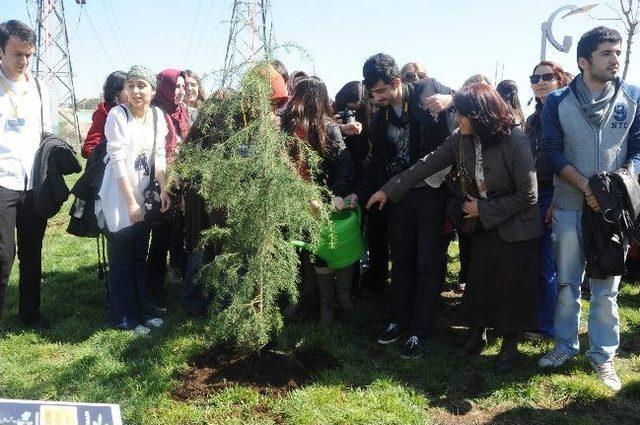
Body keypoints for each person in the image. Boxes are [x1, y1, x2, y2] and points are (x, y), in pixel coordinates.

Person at [368, 82, 542, 372]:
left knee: (512, 289)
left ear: (481, 115)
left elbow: (529, 195)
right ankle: (477, 336)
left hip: (517, 227)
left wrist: (482, 209)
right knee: (480, 282)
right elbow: (426, 164)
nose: (457, 119)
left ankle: (509, 347)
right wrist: (389, 189)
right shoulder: (460, 138)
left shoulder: (515, 139)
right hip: (484, 225)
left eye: (462, 114)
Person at [539, 26, 640, 391]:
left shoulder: (632, 97)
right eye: (606, 53)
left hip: (614, 212)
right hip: (569, 207)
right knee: (567, 283)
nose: (615, 59)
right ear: (584, 61)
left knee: (607, 288)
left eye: (617, 52)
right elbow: (551, 151)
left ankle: (603, 354)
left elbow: (638, 150)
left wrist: (616, 187)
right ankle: (564, 345)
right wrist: (587, 188)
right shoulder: (557, 101)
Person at [362, 53, 454, 358]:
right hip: (398, 195)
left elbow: (476, 95)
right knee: (401, 259)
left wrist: (450, 99)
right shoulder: (381, 117)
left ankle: (419, 329)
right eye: (372, 93)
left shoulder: (429, 90)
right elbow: (377, 161)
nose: (377, 98)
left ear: (397, 82)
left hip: (431, 192)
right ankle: (398, 320)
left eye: (381, 91)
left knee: (428, 261)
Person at [95, 65, 171, 335]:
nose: (136, 91)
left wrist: (164, 189)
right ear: (125, 90)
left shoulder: (156, 116)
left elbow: (159, 155)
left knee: (141, 256)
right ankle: (124, 318)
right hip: (120, 195)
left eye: (142, 85)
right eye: (131, 85)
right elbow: (117, 162)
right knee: (122, 260)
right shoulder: (118, 115)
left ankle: (145, 311)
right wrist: (130, 203)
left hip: (144, 194)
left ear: (152, 90)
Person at [282, 76, 355, 324]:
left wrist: (328, 197)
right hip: (292, 201)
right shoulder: (286, 126)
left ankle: (324, 307)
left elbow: (344, 167)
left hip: (317, 204)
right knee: (297, 249)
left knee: (316, 250)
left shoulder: (328, 129)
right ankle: (301, 298)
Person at [0, 20, 52, 328]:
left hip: (33, 183)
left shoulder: (41, 89)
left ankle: (30, 314)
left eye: (29, 55)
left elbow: (48, 133)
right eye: (17, 54)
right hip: (2, 182)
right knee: (3, 256)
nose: (24, 61)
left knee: (33, 253)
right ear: (1, 52)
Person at [524, 61, 572, 340]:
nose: (540, 81)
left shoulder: (566, 113)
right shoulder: (533, 119)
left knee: (547, 263)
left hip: (554, 192)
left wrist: (558, 198)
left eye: (547, 77)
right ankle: (538, 316)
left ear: (560, 79)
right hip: (531, 194)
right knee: (535, 261)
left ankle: (546, 326)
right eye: (535, 77)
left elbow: (567, 158)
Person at [146, 69, 189, 310]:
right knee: (159, 240)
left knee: (174, 236)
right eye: (176, 86)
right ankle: (154, 290)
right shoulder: (155, 113)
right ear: (164, 87)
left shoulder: (182, 113)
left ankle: (163, 285)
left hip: (180, 184)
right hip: (160, 183)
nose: (181, 91)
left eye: (183, 87)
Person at [81, 71, 128, 159]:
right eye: (129, 88)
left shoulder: (133, 111)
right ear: (117, 92)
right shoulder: (104, 113)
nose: (134, 91)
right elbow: (88, 149)